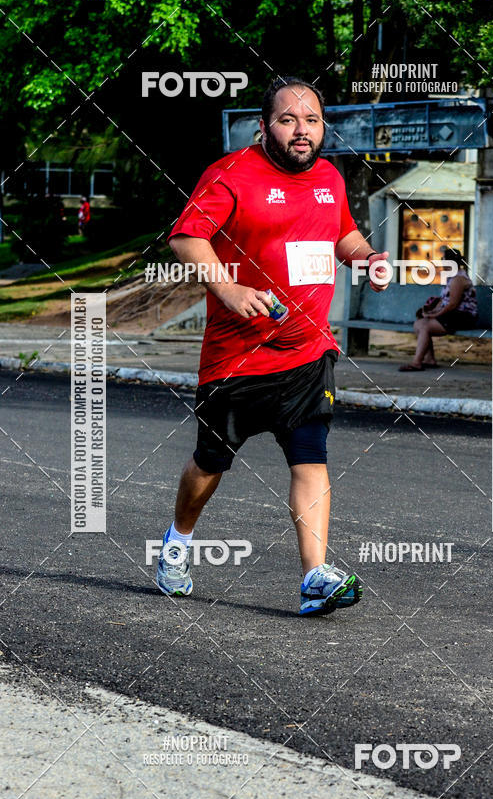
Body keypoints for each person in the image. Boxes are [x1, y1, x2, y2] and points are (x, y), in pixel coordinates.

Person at [156, 75, 391, 616]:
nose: (301, 131)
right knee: (209, 462)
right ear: (265, 127)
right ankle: (177, 542)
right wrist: (228, 287)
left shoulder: (329, 177)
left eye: (311, 121)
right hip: (237, 359)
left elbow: (344, 235)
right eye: (288, 120)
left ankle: (314, 577)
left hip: (307, 351)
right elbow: (186, 237)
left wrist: (369, 259)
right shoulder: (231, 173)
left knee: (311, 458)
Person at [399, 248, 478, 371]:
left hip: (463, 316)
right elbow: (444, 299)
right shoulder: (451, 276)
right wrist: (431, 312)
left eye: (443, 259)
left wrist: (435, 316)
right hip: (452, 314)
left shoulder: (458, 279)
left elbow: (453, 304)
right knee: (419, 323)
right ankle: (429, 359)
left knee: (425, 327)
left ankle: (416, 362)